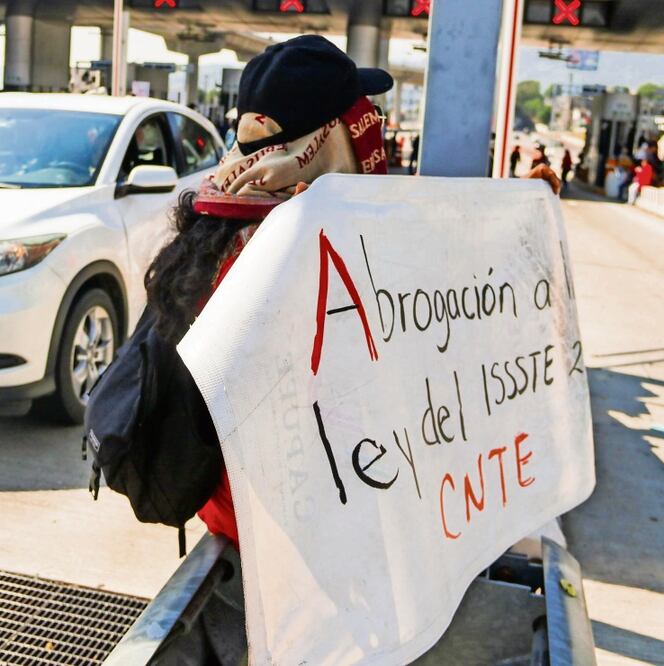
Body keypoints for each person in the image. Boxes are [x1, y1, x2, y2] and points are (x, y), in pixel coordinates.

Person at [136, 35, 560, 664]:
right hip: (315, 570)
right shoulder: (311, 249)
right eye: (367, 113)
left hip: (239, 532)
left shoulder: (226, 223)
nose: (379, 127)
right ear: (333, 131)